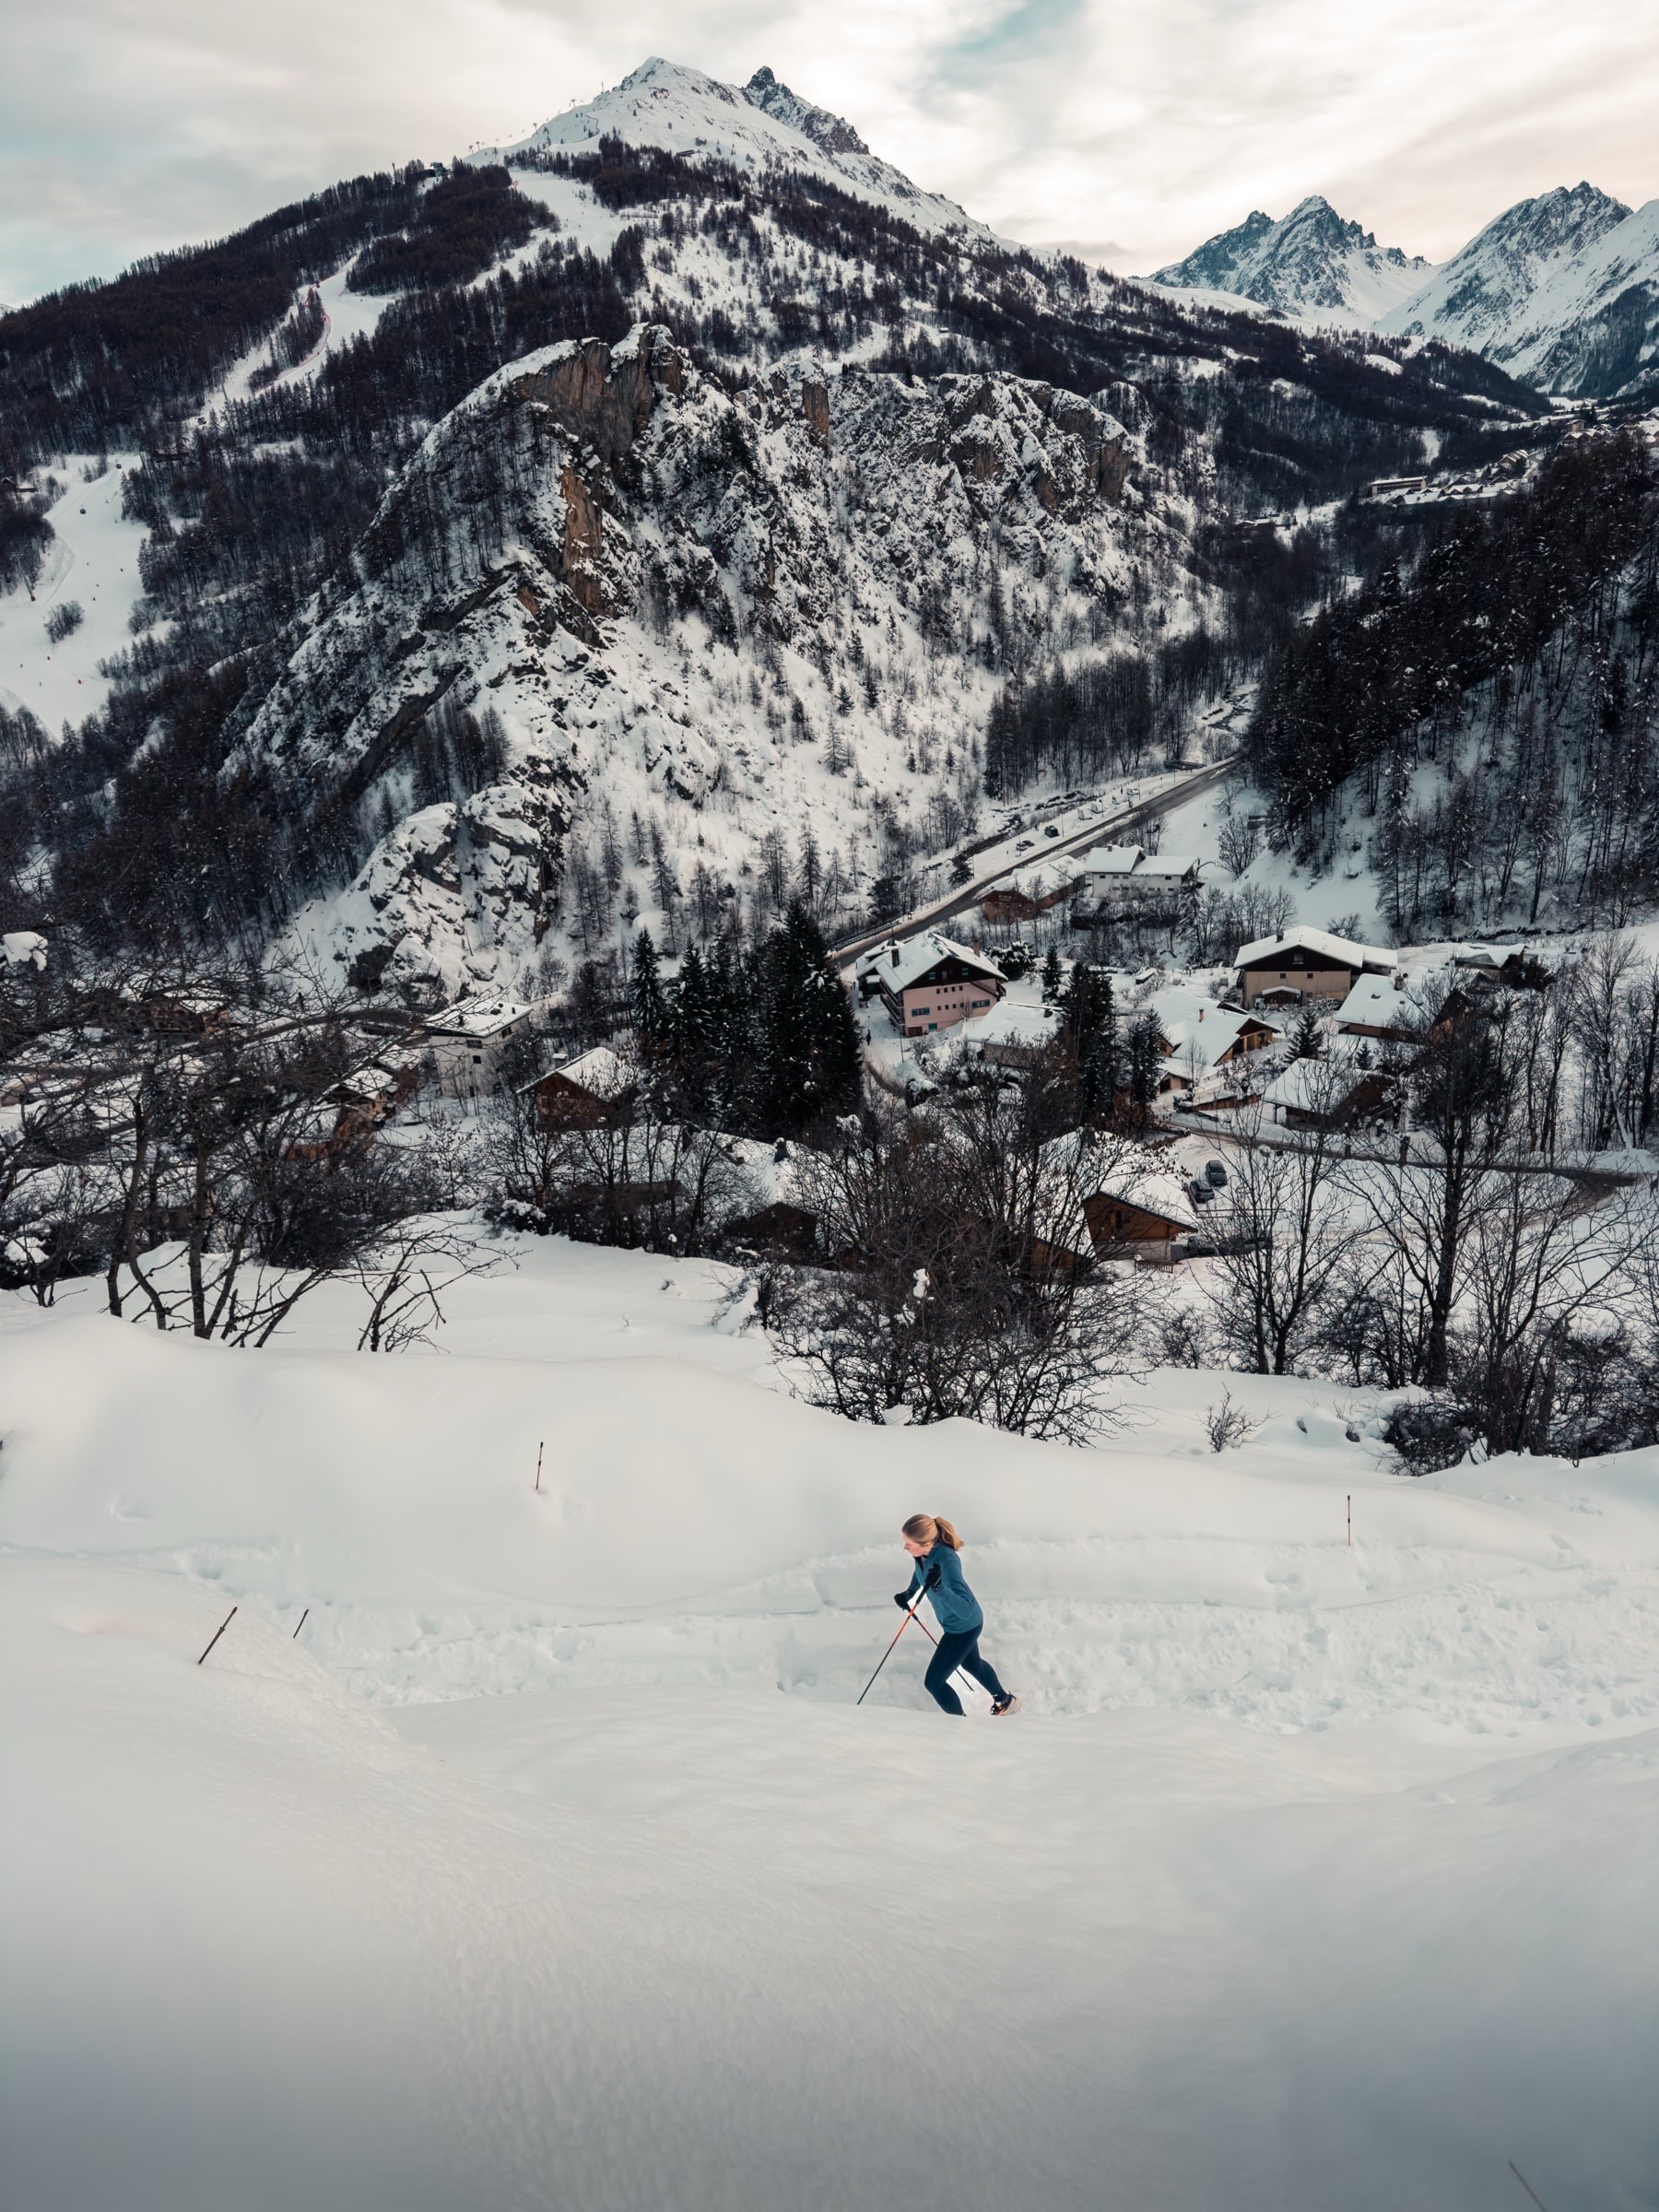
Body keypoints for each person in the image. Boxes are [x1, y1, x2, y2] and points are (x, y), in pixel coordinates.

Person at [895, 1512, 1020, 1717]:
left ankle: (959, 1726)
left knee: (934, 1682)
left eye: (909, 1544)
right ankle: (1006, 1701)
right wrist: (909, 1593)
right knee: (973, 1664)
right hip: (956, 1625)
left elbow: (965, 1609)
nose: (905, 1547)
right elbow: (921, 1573)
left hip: (963, 1626)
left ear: (927, 1544)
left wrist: (939, 1589)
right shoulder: (921, 1555)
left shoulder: (948, 1560)